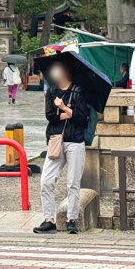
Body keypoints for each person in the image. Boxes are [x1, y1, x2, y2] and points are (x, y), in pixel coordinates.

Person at [34, 60, 90, 235]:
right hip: (56, 139)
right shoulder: (51, 92)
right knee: (46, 181)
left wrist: (64, 107)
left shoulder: (79, 92)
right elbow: (50, 116)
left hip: (75, 141)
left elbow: (83, 119)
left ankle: (71, 219)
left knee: (73, 182)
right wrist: (67, 113)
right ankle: (48, 219)